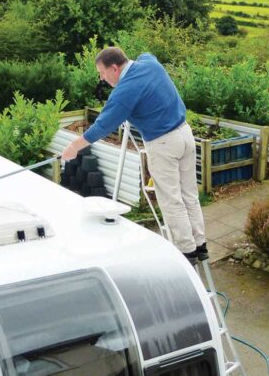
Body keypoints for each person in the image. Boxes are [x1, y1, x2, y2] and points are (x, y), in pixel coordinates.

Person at [62, 47, 207, 265]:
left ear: (114, 68)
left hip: (164, 143)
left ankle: (186, 252)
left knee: (171, 200)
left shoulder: (125, 91)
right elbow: (147, 54)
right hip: (185, 135)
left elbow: (102, 126)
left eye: (102, 73)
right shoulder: (148, 63)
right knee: (189, 195)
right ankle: (200, 244)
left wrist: (74, 147)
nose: (101, 79)